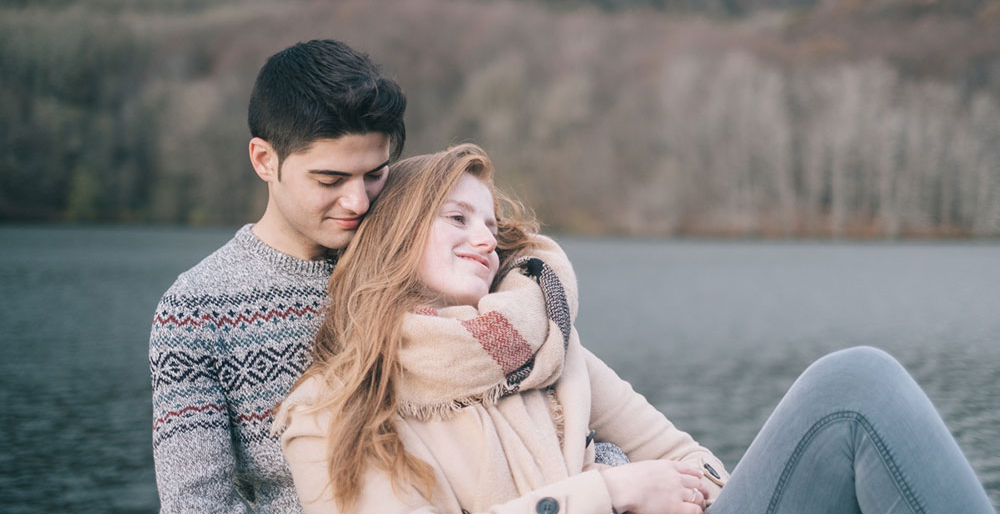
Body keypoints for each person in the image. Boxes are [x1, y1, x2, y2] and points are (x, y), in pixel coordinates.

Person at [276, 144, 996, 514]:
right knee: (854, 383)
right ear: (397, 232)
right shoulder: (332, 404)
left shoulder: (545, 345)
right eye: (457, 218)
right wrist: (613, 493)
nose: (485, 240)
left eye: (492, 225)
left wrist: (669, 493)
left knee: (853, 386)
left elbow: (693, 459)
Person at [149, 39, 407, 512]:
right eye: (330, 181)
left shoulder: (413, 258)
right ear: (265, 160)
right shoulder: (195, 311)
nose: (359, 202)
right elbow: (198, 506)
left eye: (375, 174)